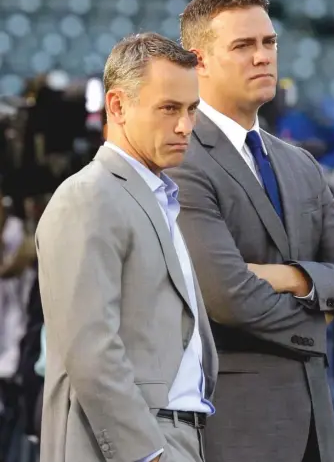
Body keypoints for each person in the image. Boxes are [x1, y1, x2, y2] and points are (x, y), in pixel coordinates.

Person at [168, 0, 334, 462]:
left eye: (269, 43)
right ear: (198, 61)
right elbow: (227, 297)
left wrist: (295, 278)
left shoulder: (299, 163)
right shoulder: (179, 160)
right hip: (235, 428)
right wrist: (321, 318)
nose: (263, 57)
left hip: (318, 425)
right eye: (243, 46)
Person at [35, 33, 218, 462]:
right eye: (169, 108)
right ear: (116, 106)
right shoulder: (89, 195)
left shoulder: (157, 197)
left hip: (180, 433)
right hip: (135, 442)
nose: (184, 126)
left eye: (191, 110)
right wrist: (147, 453)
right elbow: (91, 349)